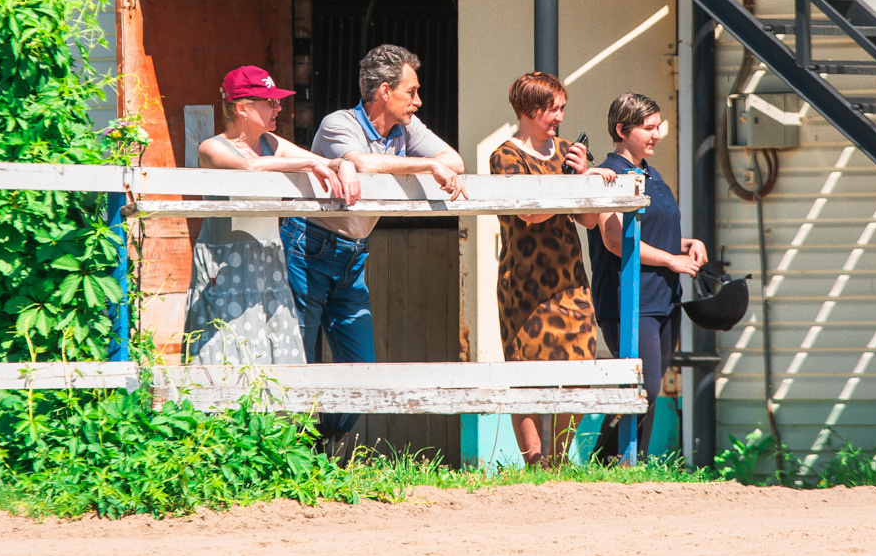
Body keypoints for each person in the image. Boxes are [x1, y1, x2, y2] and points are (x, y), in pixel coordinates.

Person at [289, 43, 468, 453]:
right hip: (309, 249)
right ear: (385, 91)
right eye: (412, 91)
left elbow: (454, 161)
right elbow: (365, 163)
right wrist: (427, 165)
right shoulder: (339, 123)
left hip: (352, 254)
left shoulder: (406, 129)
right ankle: (292, 455)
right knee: (297, 357)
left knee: (363, 369)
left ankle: (319, 445)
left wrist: (433, 163)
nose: (418, 101)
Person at [185, 67, 361, 370]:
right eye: (270, 102)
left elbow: (326, 161)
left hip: (267, 260)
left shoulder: (272, 143)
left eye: (277, 101)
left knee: (273, 350)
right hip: (225, 265)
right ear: (241, 108)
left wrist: (344, 164)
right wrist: (307, 163)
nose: (278, 107)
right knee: (225, 351)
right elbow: (248, 167)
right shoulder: (212, 146)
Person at [488, 71, 614, 467]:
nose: (560, 117)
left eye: (562, 108)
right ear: (529, 110)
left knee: (581, 368)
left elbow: (588, 220)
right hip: (524, 283)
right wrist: (570, 180)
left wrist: (585, 179)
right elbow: (530, 213)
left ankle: (557, 460)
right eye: (552, 109)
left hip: (570, 280)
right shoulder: (505, 155)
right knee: (526, 373)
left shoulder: (566, 151)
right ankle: (534, 463)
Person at [588, 91, 707, 465]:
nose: (657, 135)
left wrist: (688, 244)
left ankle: (630, 465)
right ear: (622, 130)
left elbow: (651, 235)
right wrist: (671, 260)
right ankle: (605, 461)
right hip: (629, 298)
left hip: (664, 297)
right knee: (645, 386)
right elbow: (614, 240)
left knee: (647, 389)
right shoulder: (610, 174)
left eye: (658, 127)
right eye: (648, 128)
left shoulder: (651, 174)